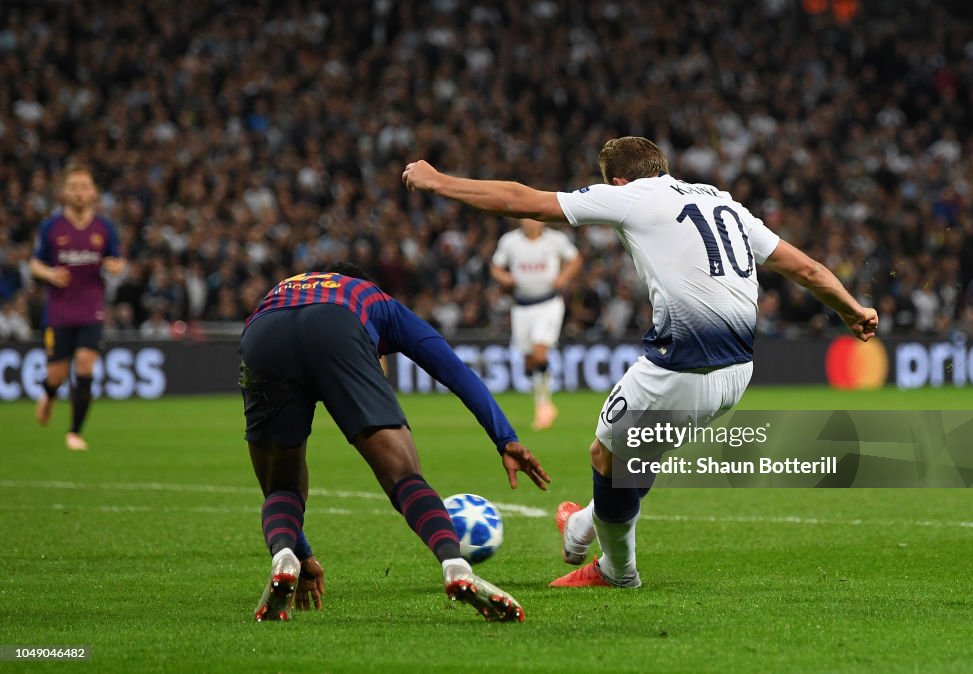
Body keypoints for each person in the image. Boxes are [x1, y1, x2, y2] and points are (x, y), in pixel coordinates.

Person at [403, 136, 878, 589]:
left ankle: (616, 569)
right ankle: (586, 522)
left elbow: (523, 201)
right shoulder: (724, 202)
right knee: (636, 454)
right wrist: (851, 309)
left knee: (605, 455)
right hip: (738, 373)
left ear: (616, 182)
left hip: (682, 366)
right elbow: (805, 268)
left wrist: (439, 182)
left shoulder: (633, 197)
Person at [241, 264, 550, 622]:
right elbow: (452, 368)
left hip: (261, 333)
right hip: (336, 328)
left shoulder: (283, 289)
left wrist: (301, 552)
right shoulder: (375, 299)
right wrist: (505, 438)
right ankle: (455, 565)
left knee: (281, 486)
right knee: (403, 476)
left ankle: (283, 557)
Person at [30, 165, 124, 451]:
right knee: (57, 375)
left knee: (84, 365)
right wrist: (49, 274)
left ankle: (74, 433)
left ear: (94, 192)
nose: (80, 192)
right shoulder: (52, 227)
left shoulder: (104, 227)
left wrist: (113, 266)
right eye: (74, 187)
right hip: (59, 312)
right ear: (64, 193)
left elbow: (118, 261)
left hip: (91, 309)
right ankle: (48, 394)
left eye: (84, 186)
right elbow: (35, 263)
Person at [491, 218, 581, 430]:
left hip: (548, 304)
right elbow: (495, 267)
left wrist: (564, 278)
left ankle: (545, 405)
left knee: (540, 354)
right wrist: (503, 277)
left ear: (542, 221)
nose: (530, 222)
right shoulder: (510, 241)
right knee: (529, 362)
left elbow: (575, 259)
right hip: (521, 306)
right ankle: (541, 404)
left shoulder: (555, 240)